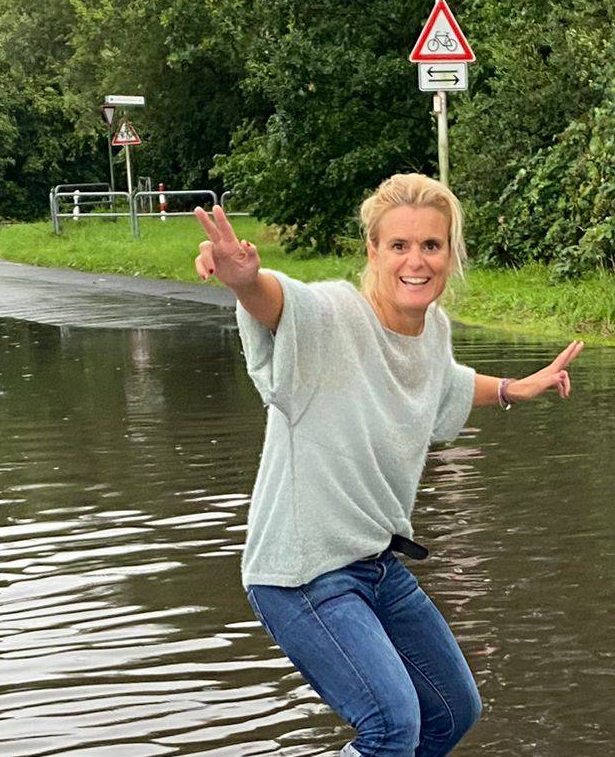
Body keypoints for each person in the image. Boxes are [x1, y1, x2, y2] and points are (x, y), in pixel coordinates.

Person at [192, 173, 584, 756]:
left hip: (373, 564)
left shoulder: (432, 331)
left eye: (431, 245)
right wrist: (246, 282)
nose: (416, 261)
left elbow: (439, 381)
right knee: (391, 725)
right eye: (399, 245)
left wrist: (512, 389)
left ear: (450, 253)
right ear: (372, 251)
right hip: (300, 573)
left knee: (452, 711)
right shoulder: (332, 317)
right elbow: (279, 302)